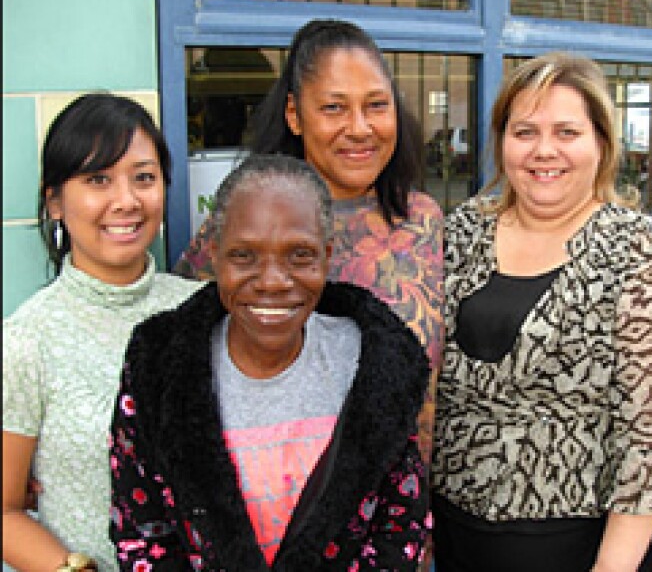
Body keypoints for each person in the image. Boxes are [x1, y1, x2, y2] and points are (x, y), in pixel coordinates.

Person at [431, 51, 652, 571]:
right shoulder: (462, 231)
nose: (544, 151)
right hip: (454, 536)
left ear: (602, 143)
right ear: (502, 141)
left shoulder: (641, 251)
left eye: (567, 132)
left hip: (580, 545)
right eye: (525, 131)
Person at [109, 154, 431, 570]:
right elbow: (143, 535)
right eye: (244, 255)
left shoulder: (374, 369)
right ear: (215, 254)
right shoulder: (158, 369)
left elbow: (399, 530)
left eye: (299, 256)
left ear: (326, 256)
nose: (272, 281)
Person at [172, 19, 443, 463]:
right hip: (278, 500)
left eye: (376, 105)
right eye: (334, 108)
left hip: (405, 512)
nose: (359, 128)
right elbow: (176, 352)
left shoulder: (425, 224)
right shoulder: (243, 227)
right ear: (295, 116)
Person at [2, 93, 202, 571]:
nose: (126, 200)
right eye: (98, 180)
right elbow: (5, 510)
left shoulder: (200, 312)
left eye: (144, 178)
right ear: (55, 201)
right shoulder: (27, 339)